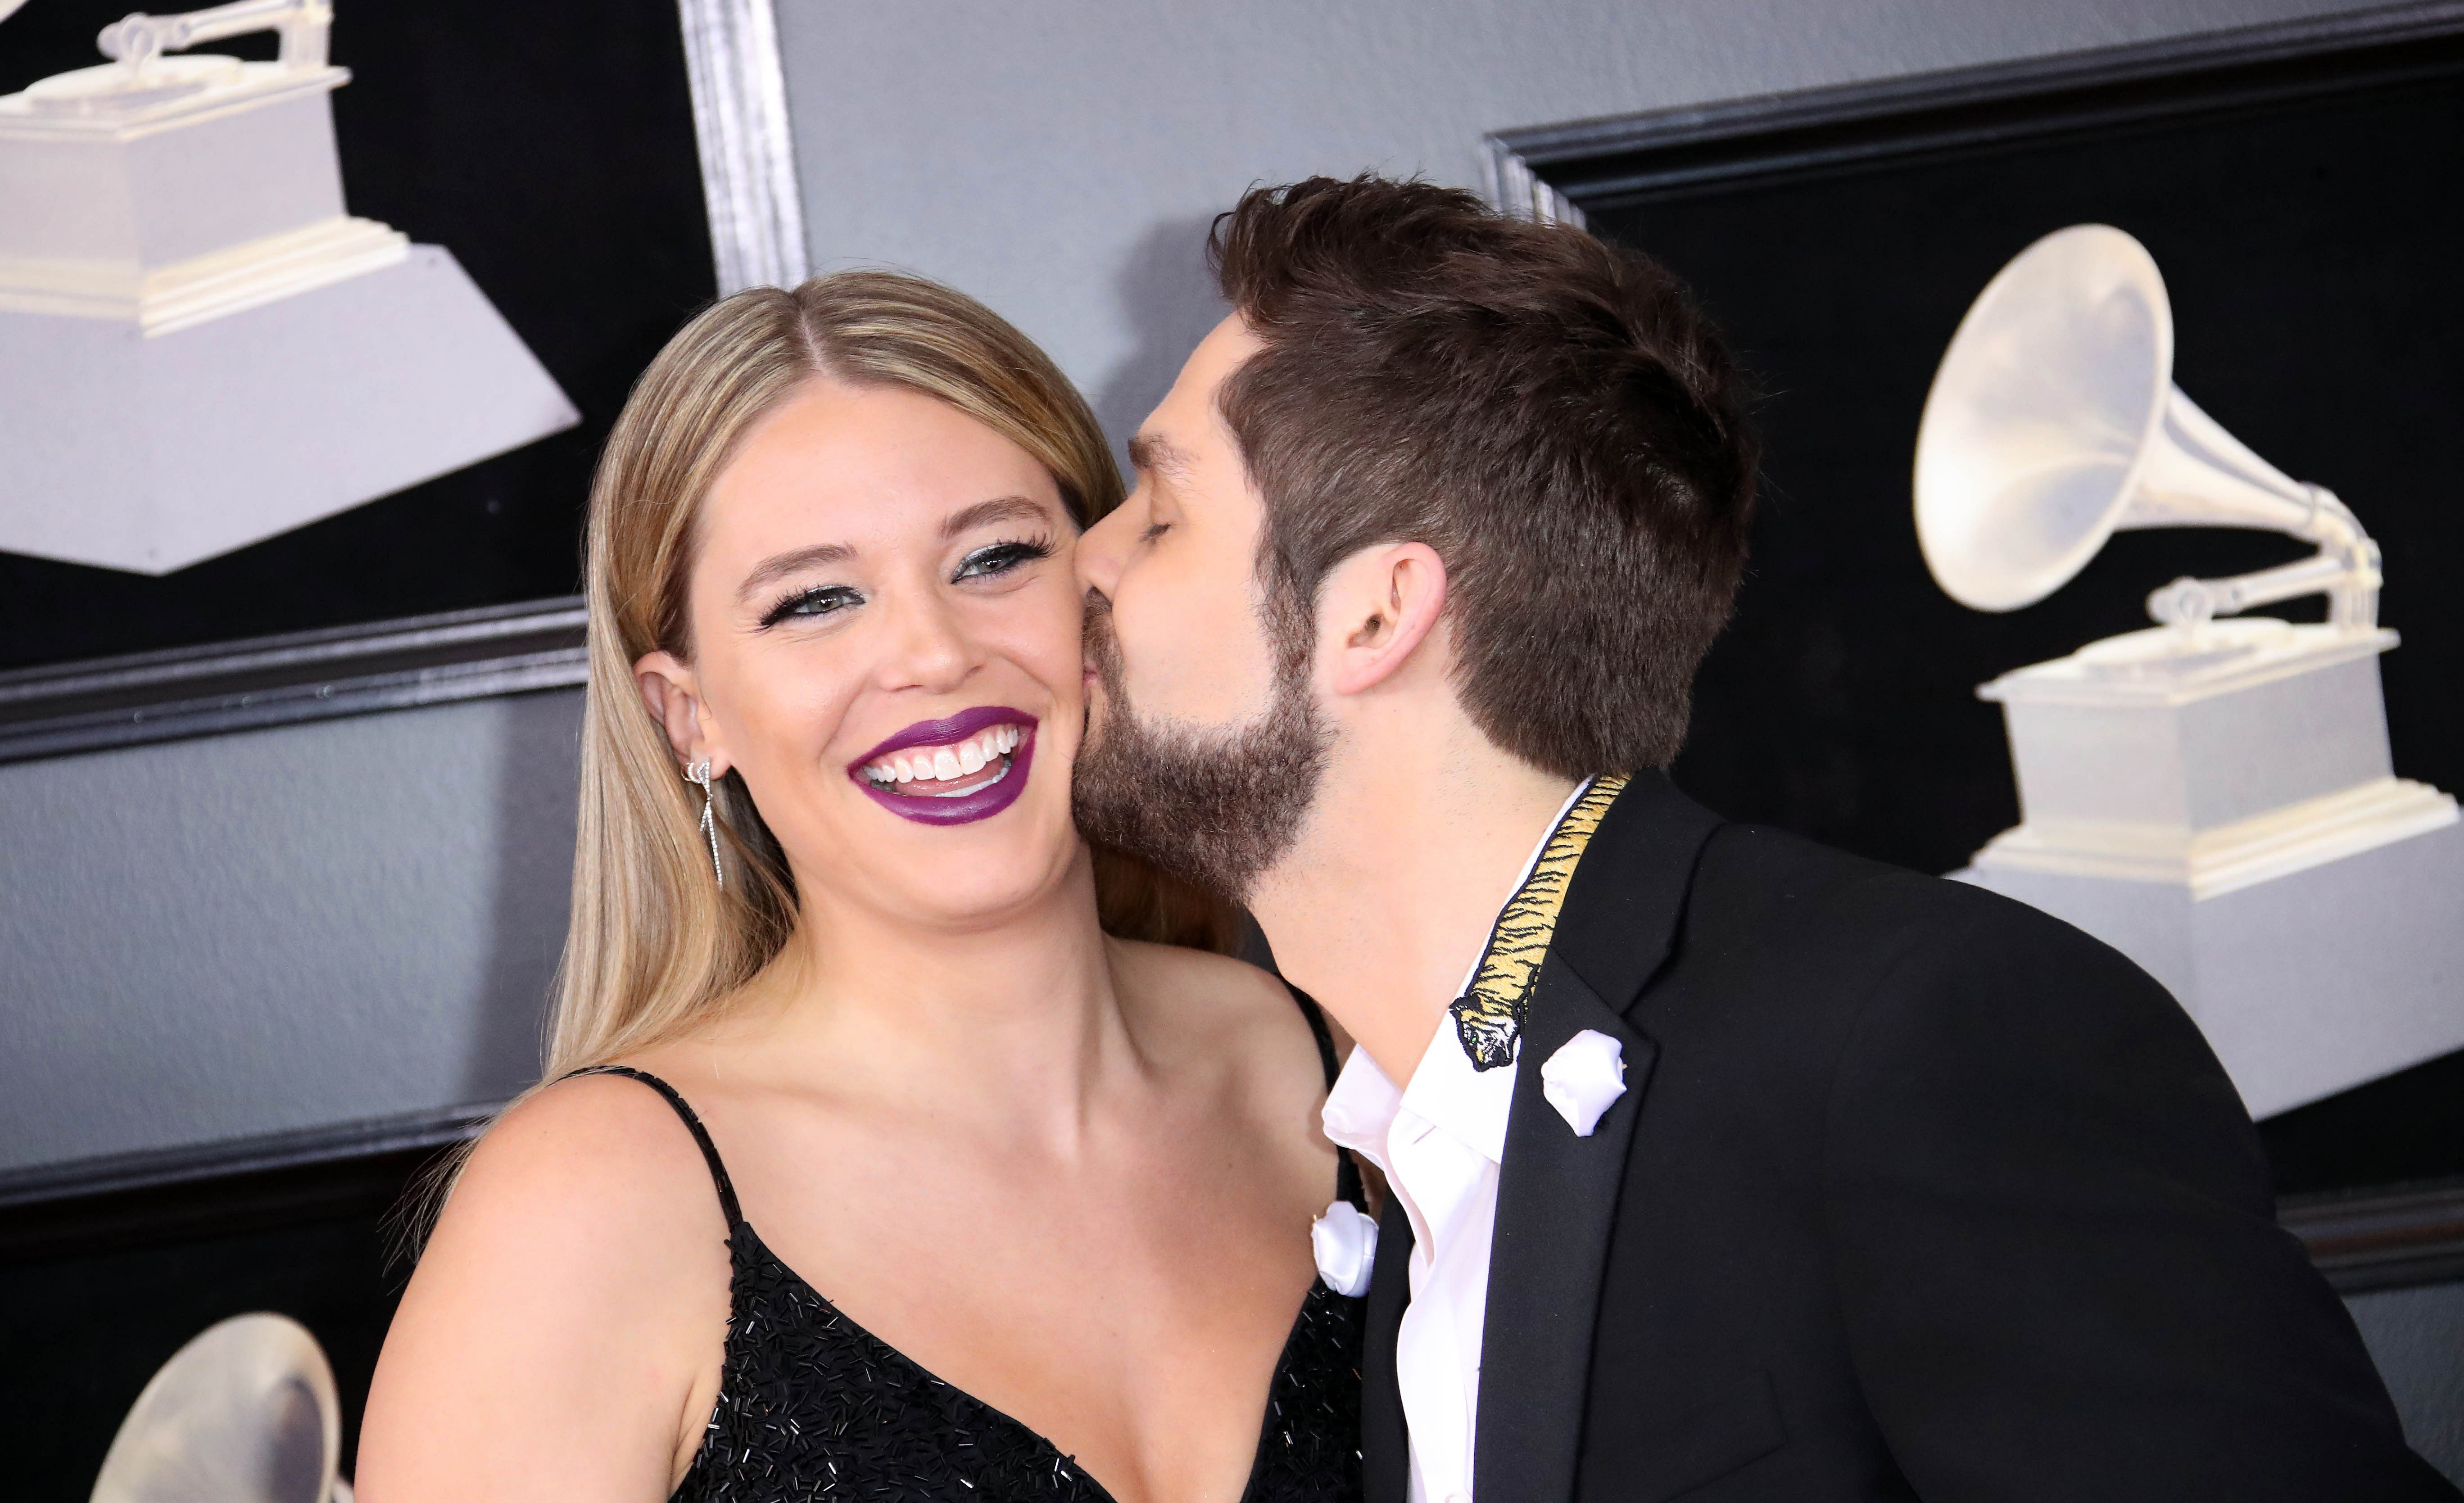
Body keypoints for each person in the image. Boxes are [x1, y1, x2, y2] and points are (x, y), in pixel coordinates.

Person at [1071, 176, 2456, 1503]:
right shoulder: (1407, 1151)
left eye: (1163, 512)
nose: (1088, 559)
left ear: (1376, 615)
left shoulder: (1925, 1040)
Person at [358, 272, 1367, 1503]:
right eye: (816, 601)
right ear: (691, 717)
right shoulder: (586, 1208)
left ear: (1106, 595)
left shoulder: (1341, 1064)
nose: (935, 655)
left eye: (995, 557)